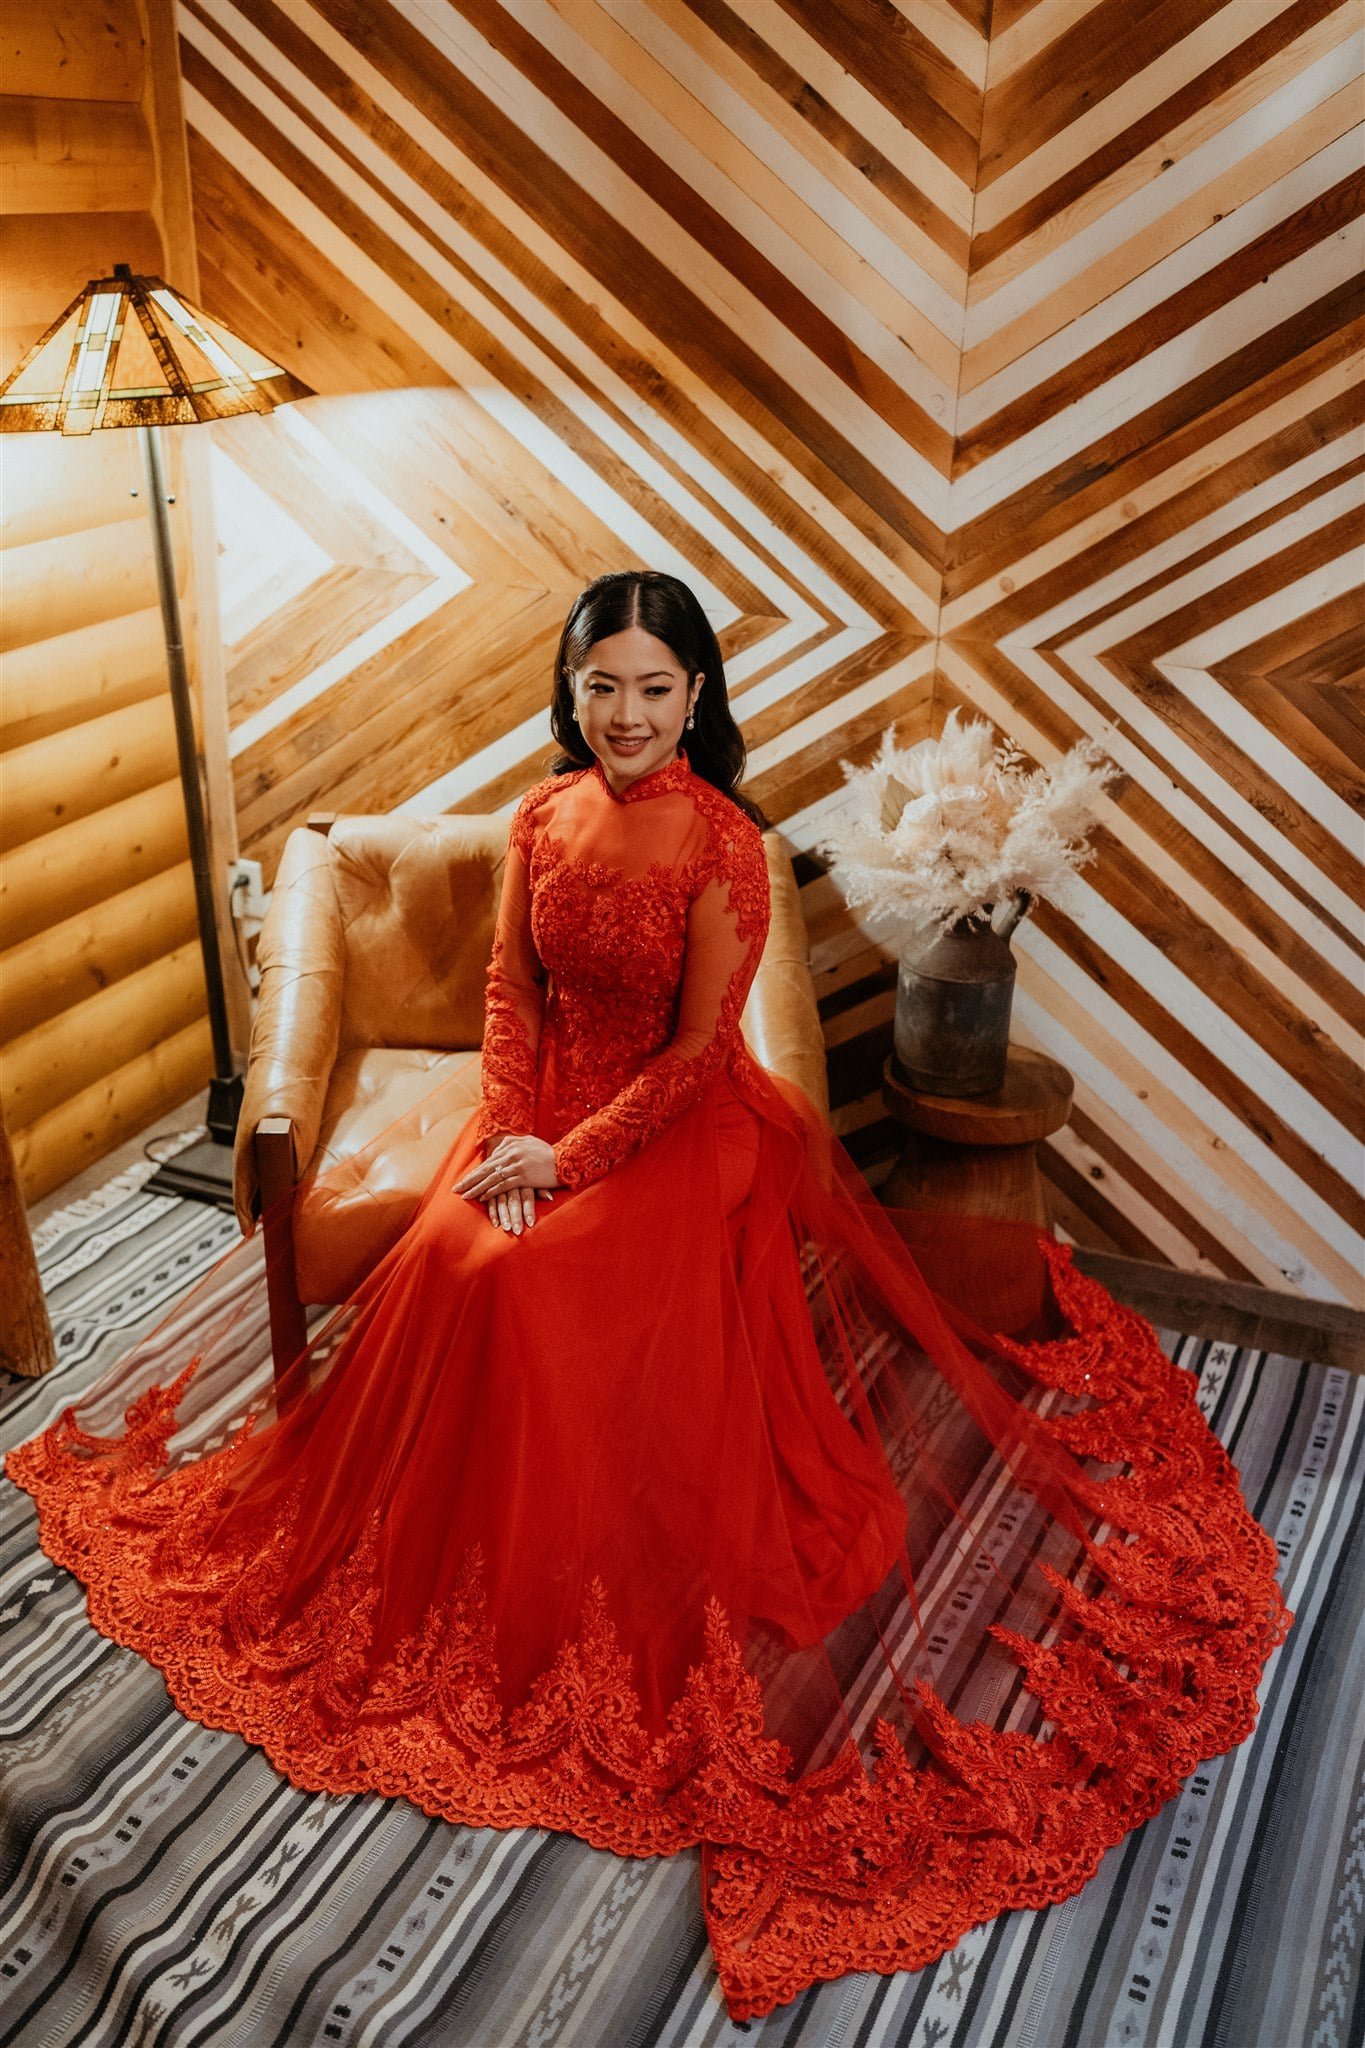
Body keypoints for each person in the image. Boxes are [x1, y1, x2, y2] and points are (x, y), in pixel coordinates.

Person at [5, 571, 1290, 2023]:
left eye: (652, 689)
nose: (621, 714)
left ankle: (581, 1522)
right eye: (598, 685)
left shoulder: (725, 844)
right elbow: (509, 999)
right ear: (570, 692)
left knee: (526, 1276)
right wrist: (499, 1136)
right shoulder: (541, 816)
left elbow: (694, 1054)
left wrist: (570, 1157)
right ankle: (475, 1521)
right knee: (453, 1256)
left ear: (695, 701)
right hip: (537, 1114)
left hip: (673, 1127)